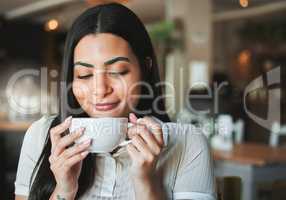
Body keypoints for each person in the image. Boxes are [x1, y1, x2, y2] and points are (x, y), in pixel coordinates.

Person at [15, 3, 216, 200]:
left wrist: (146, 183)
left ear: (145, 68)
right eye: (84, 75)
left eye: (118, 71)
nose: (100, 90)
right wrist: (64, 191)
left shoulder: (187, 143)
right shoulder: (41, 136)